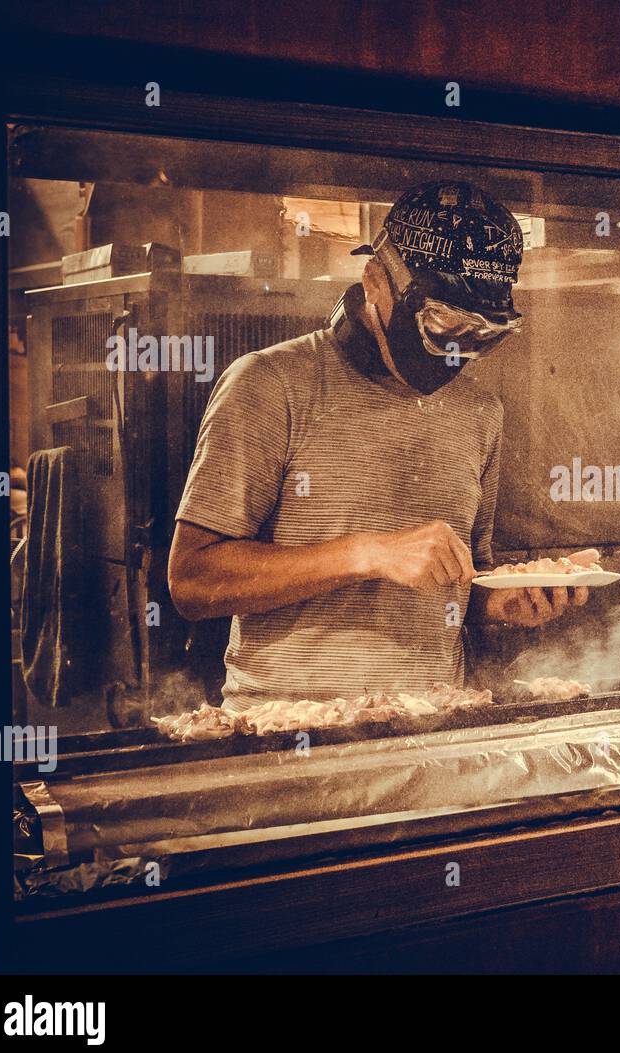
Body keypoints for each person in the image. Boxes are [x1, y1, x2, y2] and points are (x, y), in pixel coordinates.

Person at [167, 180, 591, 710]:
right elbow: (191, 581)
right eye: (441, 321)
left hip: (434, 721)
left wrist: (499, 601)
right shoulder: (269, 384)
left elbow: (460, 576)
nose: (458, 349)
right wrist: (365, 552)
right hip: (293, 728)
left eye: (482, 332)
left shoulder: (479, 411)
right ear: (376, 282)